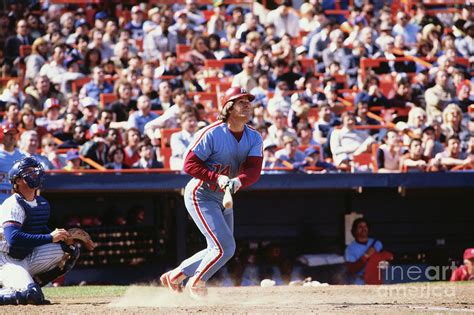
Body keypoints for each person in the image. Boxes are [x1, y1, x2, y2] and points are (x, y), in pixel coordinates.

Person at [160, 87, 263, 298]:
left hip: (224, 196)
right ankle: (196, 283)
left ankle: (176, 275)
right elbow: (189, 165)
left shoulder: (254, 137)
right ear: (228, 107)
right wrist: (216, 177)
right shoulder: (212, 133)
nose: (247, 104)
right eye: (240, 101)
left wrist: (238, 181)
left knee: (221, 248)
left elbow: (254, 170)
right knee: (224, 247)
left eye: (248, 101)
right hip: (201, 194)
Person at [0, 157, 79, 305]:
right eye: (29, 172)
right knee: (32, 295)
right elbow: (14, 238)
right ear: (17, 180)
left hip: (25, 256)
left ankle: (31, 282)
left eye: (35, 170)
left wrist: (64, 236)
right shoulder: (12, 204)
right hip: (4, 258)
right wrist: (50, 237)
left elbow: (38, 229)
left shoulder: (41, 202)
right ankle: (21, 286)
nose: (35, 174)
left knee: (69, 250)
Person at [345, 218, 390, 285]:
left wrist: (379, 260)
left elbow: (387, 264)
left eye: (365, 226)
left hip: (376, 281)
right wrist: (366, 256)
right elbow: (352, 270)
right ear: (355, 231)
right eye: (360, 227)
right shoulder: (350, 249)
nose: (363, 229)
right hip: (360, 282)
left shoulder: (377, 243)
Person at [0, 124, 24, 204]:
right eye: (9, 134)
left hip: (17, 198)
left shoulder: (23, 156)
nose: (12, 137)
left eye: (14, 134)